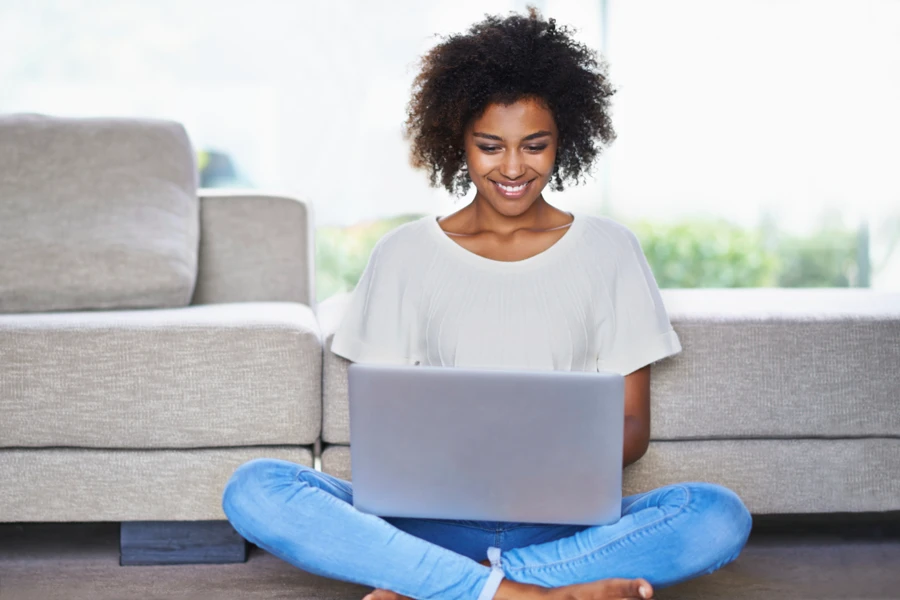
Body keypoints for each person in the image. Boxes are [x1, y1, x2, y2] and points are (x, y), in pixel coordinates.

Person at [222, 8, 752, 600]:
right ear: (458, 141)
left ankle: (441, 588)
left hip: (560, 523)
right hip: (429, 523)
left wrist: (540, 463)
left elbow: (632, 427)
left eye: (535, 145)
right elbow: (381, 433)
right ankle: (518, 594)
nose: (513, 168)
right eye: (490, 146)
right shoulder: (402, 254)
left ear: (563, 141)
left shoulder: (610, 250)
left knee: (716, 515)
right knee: (254, 488)